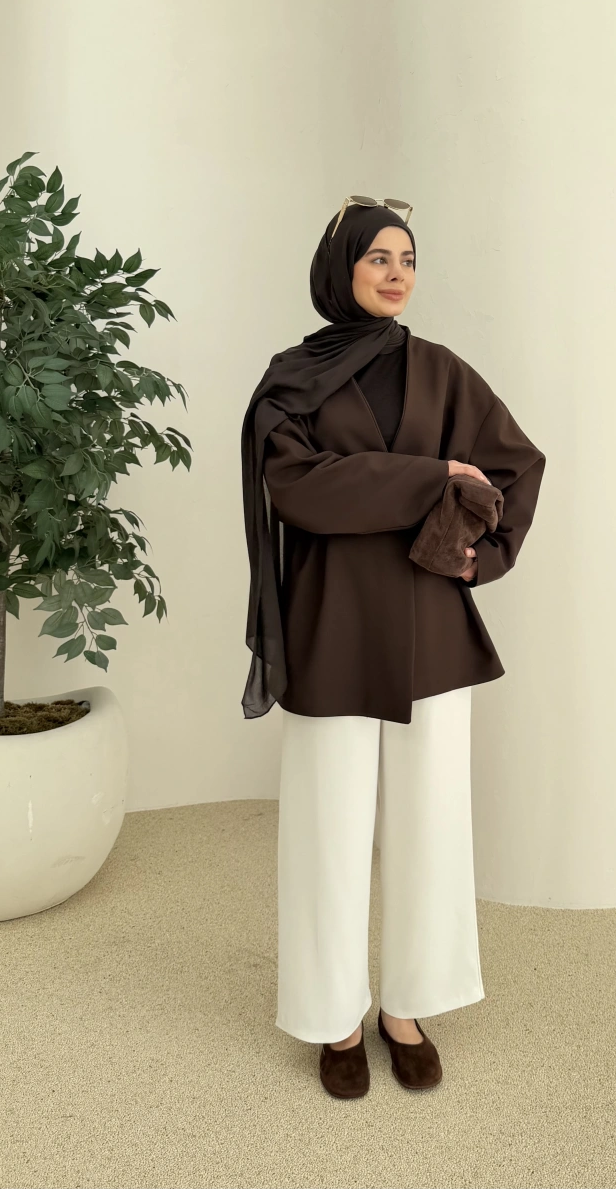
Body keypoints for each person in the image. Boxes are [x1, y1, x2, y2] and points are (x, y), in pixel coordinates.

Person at [239, 196, 545, 1098]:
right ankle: (334, 1015)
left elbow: (517, 463)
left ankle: (408, 1008)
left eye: (408, 258)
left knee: (431, 823)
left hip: (428, 626)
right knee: (328, 829)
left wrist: (481, 555)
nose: (396, 273)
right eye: (378, 256)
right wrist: (433, 476)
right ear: (341, 267)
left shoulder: (441, 371)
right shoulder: (290, 380)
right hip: (332, 622)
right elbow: (303, 490)